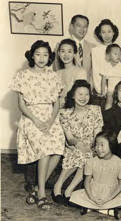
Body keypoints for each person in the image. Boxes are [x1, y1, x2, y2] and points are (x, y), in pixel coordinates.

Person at [10, 40, 65, 210]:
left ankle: (34, 189)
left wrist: (50, 121)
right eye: (38, 54)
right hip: (31, 118)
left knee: (58, 149)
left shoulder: (54, 76)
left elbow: (56, 104)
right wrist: (36, 120)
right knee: (45, 148)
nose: (41, 58)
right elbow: (21, 105)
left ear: (49, 57)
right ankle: (42, 193)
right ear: (32, 56)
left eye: (45, 55)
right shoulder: (23, 75)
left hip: (50, 117)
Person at [52, 80, 103, 204]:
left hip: (91, 145)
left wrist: (93, 146)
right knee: (79, 153)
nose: (83, 98)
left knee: (88, 156)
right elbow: (69, 137)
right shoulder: (64, 113)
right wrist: (79, 144)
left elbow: (98, 133)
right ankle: (58, 186)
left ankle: (69, 189)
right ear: (73, 96)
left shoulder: (95, 110)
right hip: (73, 144)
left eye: (86, 94)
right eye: (80, 94)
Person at [69, 131, 121, 219]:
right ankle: (107, 210)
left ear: (111, 145)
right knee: (74, 197)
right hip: (93, 192)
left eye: (102, 145)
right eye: (96, 145)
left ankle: (91, 208)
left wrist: (108, 198)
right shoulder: (91, 161)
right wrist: (92, 197)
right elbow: (87, 182)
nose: (98, 148)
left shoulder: (120, 163)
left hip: (111, 193)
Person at [54, 15, 95, 80]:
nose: (82, 29)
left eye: (85, 26)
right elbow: (57, 69)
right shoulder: (61, 46)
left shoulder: (93, 48)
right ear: (72, 26)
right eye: (79, 26)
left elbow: (94, 72)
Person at [56, 38, 88, 107]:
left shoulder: (81, 72)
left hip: (75, 107)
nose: (66, 55)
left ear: (74, 54)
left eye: (69, 51)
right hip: (58, 108)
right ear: (58, 53)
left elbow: (80, 95)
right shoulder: (57, 73)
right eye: (63, 51)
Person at [91, 19, 119, 94]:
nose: (107, 35)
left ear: (113, 32)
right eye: (103, 32)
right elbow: (96, 72)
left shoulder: (119, 49)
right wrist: (101, 91)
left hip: (117, 89)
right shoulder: (95, 51)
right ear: (99, 34)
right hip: (101, 89)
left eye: (109, 31)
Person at [101, 44, 121, 110]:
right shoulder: (106, 67)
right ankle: (107, 115)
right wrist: (103, 91)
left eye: (119, 54)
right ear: (108, 56)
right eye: (115, 54)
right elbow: (103, 80)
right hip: (110, 90)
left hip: (120, 90)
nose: (118, 56)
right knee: (109, 102)